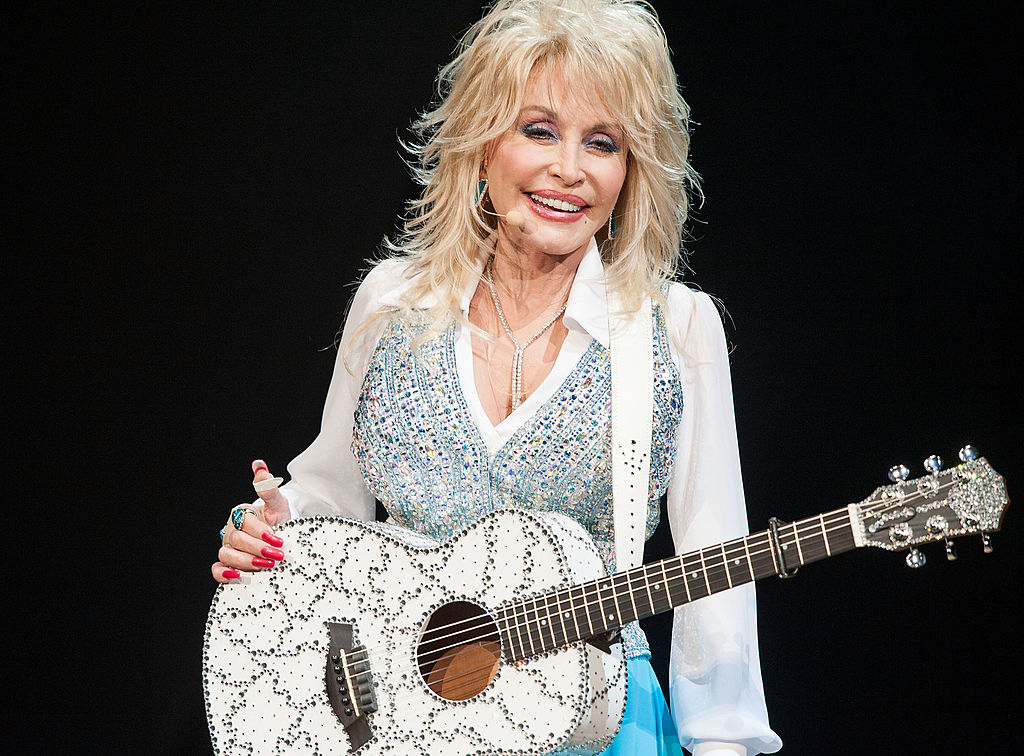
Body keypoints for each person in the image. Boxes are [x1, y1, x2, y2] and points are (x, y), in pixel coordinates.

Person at [211, 1, 782, 754]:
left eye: (602, 143)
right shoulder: (393, 304)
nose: (568, 169)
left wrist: (722, 745)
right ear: (482, 145)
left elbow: (718, 579)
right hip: (399, 730)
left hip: (597, 727)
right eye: (539, 130)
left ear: (632, 170)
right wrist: (270, 534)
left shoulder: (673, 329)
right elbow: (331, 501)